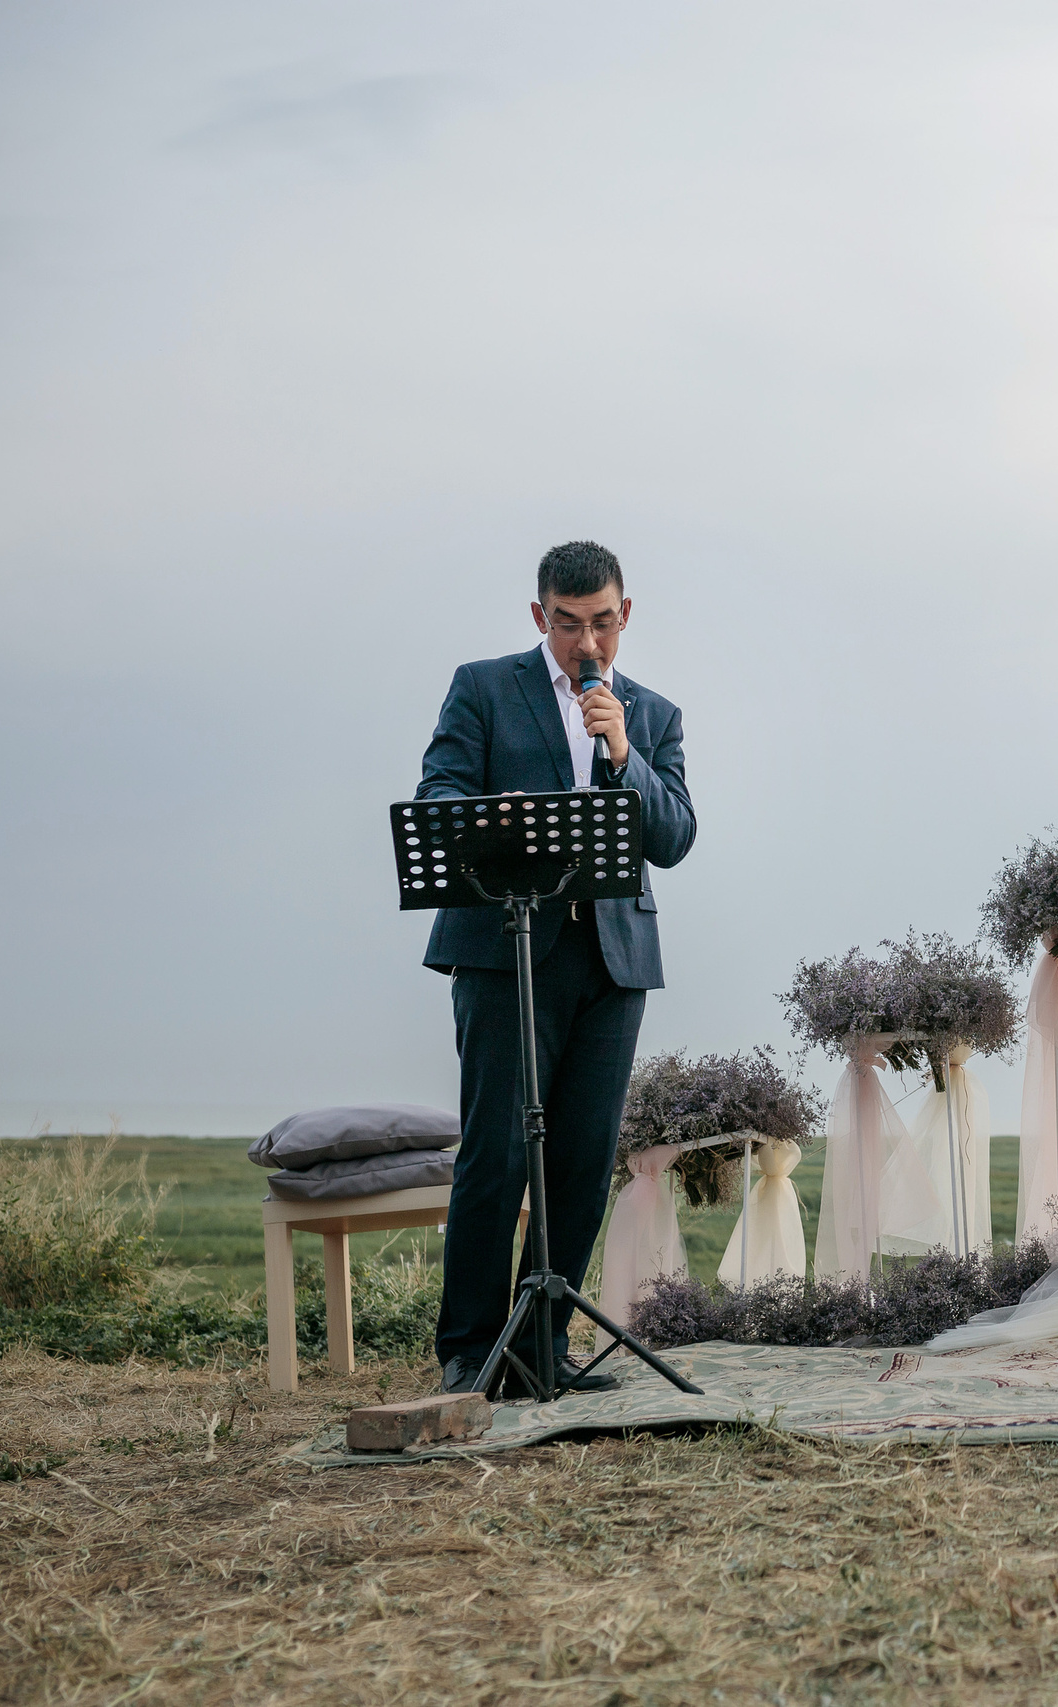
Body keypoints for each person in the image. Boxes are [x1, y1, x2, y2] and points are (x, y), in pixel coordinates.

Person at [416, 540, 696, 1395]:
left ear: (625, 616)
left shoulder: (651, 714)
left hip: (611, 962)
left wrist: (624, 759)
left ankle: (542, 1347)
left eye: (602, 624)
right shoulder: (483, 686)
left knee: (580, 1158)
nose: (588, 642)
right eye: (569, 624)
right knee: (497, 1154)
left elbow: (676, 835)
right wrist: (487, 819)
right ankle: (468, 1352)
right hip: (505, 953)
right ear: (540, 616)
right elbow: (437, 797)